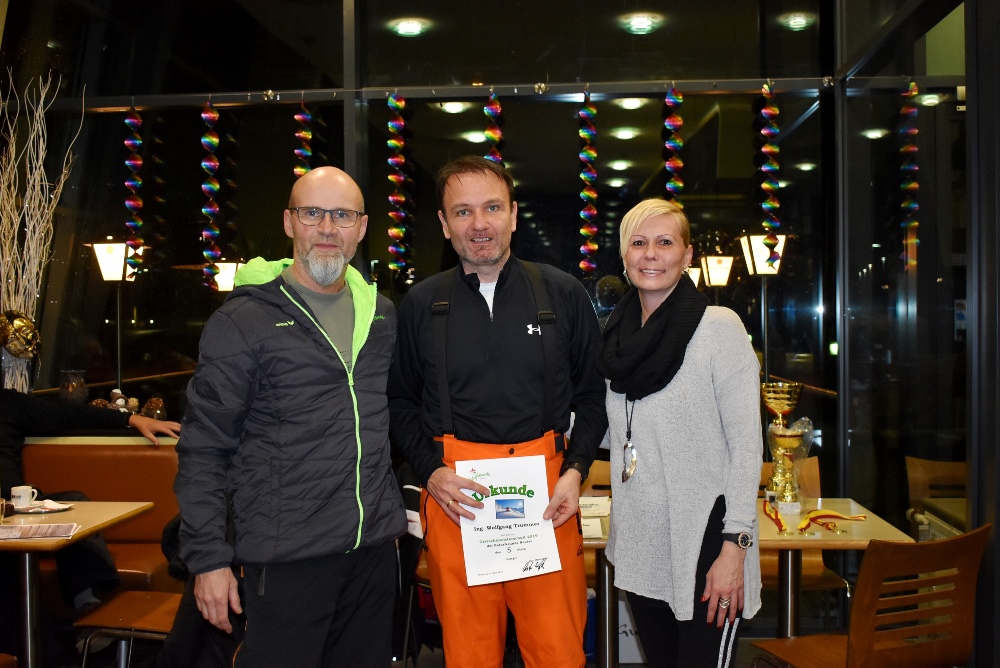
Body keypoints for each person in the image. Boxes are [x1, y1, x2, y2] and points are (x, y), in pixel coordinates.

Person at [174, 166, 406, 668]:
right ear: (288, 222)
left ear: (362, 227)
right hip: (285, 559)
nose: (327, 228)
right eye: (312, 213)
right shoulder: (243, 321)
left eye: (342, 215)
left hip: (371, 553)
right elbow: (203, 449)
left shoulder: (382, 316)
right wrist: (208, 560)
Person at [388, 155, 608, 668]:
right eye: (462, 212)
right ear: (444, 224)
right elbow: (398, 402)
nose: (479, 224)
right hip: (456, 498)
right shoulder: (420, 305)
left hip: (548, 499)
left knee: (558, 653)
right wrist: (431, 472)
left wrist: (576, 471)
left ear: (512, 214)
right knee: (469, 655)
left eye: (491, 208)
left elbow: (593, 396)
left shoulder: (562, 293)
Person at [596, 198, 762, 667]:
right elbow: (615, 431)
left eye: (665, 242)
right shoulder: (616, 340)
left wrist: (735, 548)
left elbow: (747, 446)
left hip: (709, 539)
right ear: (625, 256)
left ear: (687, 255)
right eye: (639, 242)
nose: (651, 253)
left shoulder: (719, 328)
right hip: (643, 540)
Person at [0, 386, 180, 662]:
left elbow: (68, 415)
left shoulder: (7, 404)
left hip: (20, 507)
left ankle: (90, 608)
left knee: (75, 504)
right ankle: (43, 652)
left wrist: (130, 419)